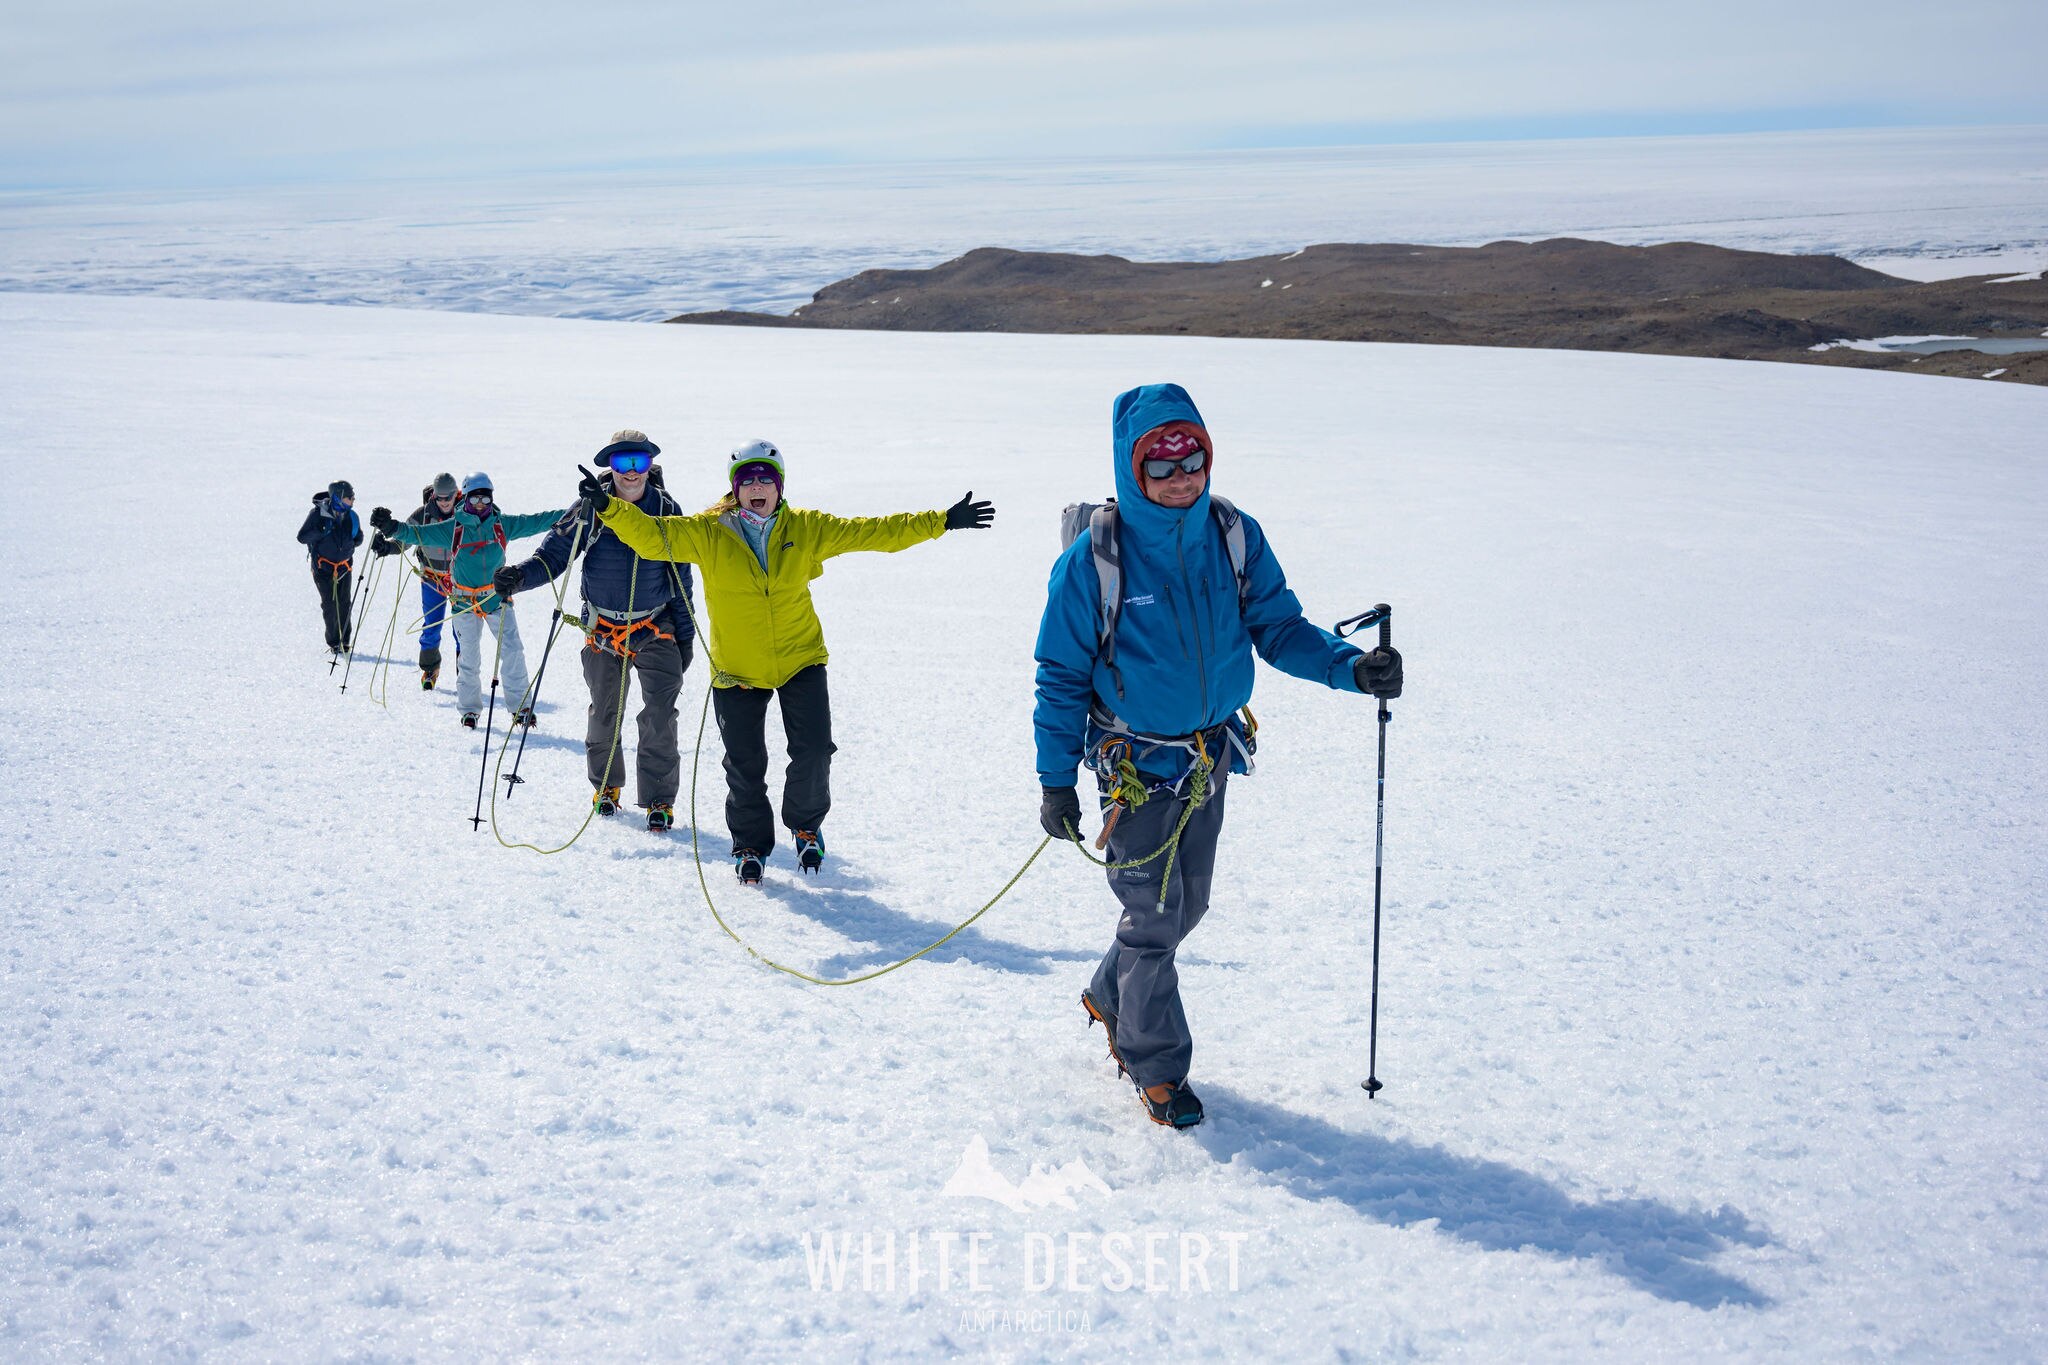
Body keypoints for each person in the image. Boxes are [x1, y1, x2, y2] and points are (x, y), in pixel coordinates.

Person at [1032, 383, 1402, 1130]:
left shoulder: (1233, 533)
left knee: (1182, 905)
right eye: (1160, 464)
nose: (1180, 476)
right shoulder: (1093, 562)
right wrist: (1054, 780)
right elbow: (1061, 673)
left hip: (1209, 756)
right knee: (1153, 916)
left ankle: (1112, 993)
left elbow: (1280, 625)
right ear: (1131, 469)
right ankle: (1154, 1062)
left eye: (1191, 456)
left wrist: (1350, 667)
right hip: (1132, 767)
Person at [579, 439, 994, 882]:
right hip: (737, 670)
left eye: (766, 479)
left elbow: (873, 531)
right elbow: (652, 536)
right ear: (735, 489)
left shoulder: (807, 527)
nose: (757, 487)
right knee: (744, 765)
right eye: (748, 480)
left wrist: (942, 521)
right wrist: (609, 506)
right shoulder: (707, 531)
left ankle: (806, 826)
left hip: (801, 660)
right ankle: (749, 847)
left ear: (779, 486)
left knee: (814, 752)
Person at [493, 431, 699, 833]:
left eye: (639, 462)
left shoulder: (668, 510)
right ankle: (606, 787)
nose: (632, 472)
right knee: (605, 713)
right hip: (603, 630)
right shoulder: (588, 509)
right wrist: (518, 577)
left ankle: (659, 800)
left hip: (657, 627)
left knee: (659, 715)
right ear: (610, 466)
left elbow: (682, 580)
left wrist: (686, 637)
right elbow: (553, 557)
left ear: (650, 465)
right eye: (623, 464)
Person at [369, 474, 567, 729]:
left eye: (486, 497)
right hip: (464, 603)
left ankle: (522, 707)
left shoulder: (501, 524)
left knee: (513, 651)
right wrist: (391, 528)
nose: (481, 503)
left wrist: (572, 512)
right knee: (469, 659)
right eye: (476, 497)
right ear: (467, 498)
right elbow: (416, 534)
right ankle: (470, 710)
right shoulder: (454, 528)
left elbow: (538, 521)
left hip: (497, 599)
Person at [397, 473, 462, 689]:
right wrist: (387, 545)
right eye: (440, 498)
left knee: (461, 628)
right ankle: (429, 668)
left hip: (459, 581)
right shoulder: (423, 515)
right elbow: (404, 537)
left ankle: (465, 674)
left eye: (448, 498)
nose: (444, 502)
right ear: (434, 495)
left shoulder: (466, 515)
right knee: (431, 625)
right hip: (431, 579)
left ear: (456, 494)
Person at [297, 479, 362, 656]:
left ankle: (345, 641)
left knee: (344, 604)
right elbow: (302, 537)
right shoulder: (318, 514)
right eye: (350, 497)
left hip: (344, 568)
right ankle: (334, 642)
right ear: (339, 497)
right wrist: (321, 530)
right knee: (329, 605)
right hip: (322, 568)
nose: (353, 500)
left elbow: (358, 538)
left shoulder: (352, 516)